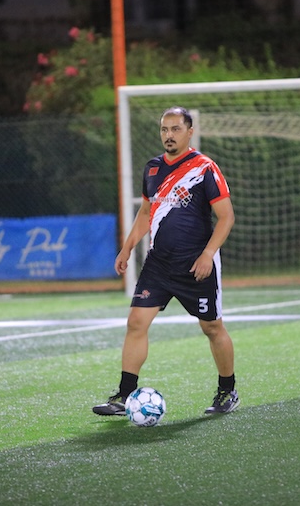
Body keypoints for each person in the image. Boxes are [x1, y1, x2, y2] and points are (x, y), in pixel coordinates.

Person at [93, 106, 240, 416]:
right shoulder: (152, 169)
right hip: (158, 263)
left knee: (212, 327)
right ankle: (124, 395)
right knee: (136, 322)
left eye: (175, 129)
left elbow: (226, 217)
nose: (169, 135)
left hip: (195, 265)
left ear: (190, 132)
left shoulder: (205, 168)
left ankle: (227, 390)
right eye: (164, 129)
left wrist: (207, 255)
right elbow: (146, 212)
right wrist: (127, 248)